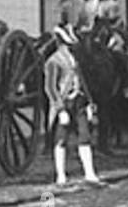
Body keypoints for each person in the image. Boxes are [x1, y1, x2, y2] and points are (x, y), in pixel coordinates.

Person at [44, 24, 103, 186]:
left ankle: (90, 173)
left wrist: (90, 102)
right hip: (64, 103)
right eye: (66, 45)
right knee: (61, 139)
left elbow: (82, 81)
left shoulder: (74, 60)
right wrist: (60, 109)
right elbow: (50, 87)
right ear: (59, 43)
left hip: (79, 102)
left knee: (85, 136)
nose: (69, 48)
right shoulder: (53, 62)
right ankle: (61, 175)